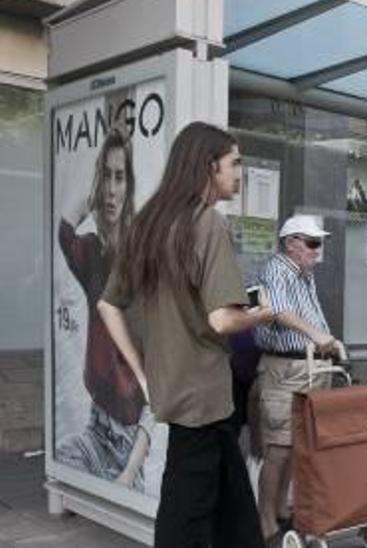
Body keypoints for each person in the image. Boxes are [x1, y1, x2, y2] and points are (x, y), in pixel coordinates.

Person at [98, 122, 275, 548]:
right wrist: (263, 314)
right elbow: (222, 320)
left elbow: (108, 304)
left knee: (234, 512)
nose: (237, 173)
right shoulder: (205, 223)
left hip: (187, 397)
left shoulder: (147, 224)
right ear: (209, 166)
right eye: (234, 164)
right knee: (185, 517)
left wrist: (144, 374)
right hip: (203, 401)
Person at [54, 128, 150, 490]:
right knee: (64, 462)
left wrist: (131, 467)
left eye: (120, 177)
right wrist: (91, 194)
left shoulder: (139, 254)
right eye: (105, 177)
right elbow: (65, 231)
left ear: (129, 186)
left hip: (128, 441)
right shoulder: (92, 251)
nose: (111, 189)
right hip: (96, 429)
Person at [250, 214, 344, 543]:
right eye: (312, 243)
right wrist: (317, 334)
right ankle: (266, 522)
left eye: (319, 244)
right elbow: (277, 311)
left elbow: (307, 312)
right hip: (285, 369)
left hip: (310, 367)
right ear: (291, 243)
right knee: (278, 447)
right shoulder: (277, 268)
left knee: (295, 446)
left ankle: (281, 512)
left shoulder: (304, 273)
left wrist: (327, 343)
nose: (317, 251)